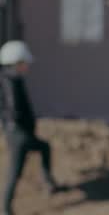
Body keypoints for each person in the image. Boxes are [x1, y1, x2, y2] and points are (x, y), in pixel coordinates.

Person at [0, 41, 59, 215]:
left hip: (19, 132)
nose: (27, 66)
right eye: (24, 63)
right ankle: (5, 209)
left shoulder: (11, 78)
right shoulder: (10, 80)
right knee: (15, 172)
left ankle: (48, 181)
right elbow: (14, 108)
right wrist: (20, 125)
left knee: (44, 147)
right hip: (19, 134)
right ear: (16, 62)